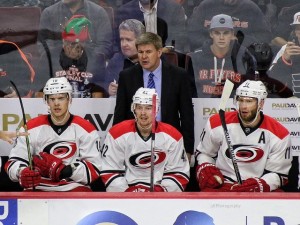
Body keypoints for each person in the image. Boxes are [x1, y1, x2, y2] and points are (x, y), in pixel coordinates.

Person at [5, 77, 102, 191]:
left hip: (73, 188)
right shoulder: (30, 128)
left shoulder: (85, 129)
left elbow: (94, 170)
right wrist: (21, 172)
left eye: (61, 98)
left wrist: (64, 170)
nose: (56, 103)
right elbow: (14, 162)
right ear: (46, 101)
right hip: (38, 187)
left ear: (69, 99)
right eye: (52, 99)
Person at [195, 80, 292, 192]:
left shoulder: (279, 133)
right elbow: (204, 153)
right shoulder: (217, 122)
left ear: (261, 103)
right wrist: (207, 169)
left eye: (249, 101)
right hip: (223, 185)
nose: (244, 106)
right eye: (241, 100)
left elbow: (278, 174)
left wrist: (258, 185)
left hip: (257, 191)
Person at [113, 32, 194, 161]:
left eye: (148, 52)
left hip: (170, 142)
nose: (144, 57)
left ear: (159, 52)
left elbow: (187, 115)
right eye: (140, 52)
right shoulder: (127, 76)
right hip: (135, 142)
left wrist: (188, 149)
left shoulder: (179, 76)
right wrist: (115, 145)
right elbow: (119, 114)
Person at [100, 87, 190, 192]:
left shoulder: (173, 136)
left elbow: (178, 173)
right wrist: (127, 193)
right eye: (139, 107)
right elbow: (109, 170)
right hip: (127, 193)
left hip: (160, 195)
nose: (143, 113)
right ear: (133, 109)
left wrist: (160, 191)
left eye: (148, 108)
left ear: (156, 109)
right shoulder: (117, 133)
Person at [34, 15, 107, 98]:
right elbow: (39, 93)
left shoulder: (96, 59)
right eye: (70, 43)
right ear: (63, 41)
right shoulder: (48, 58)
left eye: (78, 45)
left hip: (86, 108)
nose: (73, 48)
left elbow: (99, 95)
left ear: (84, 43)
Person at [186, 14, 254, 98]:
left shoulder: (244, 56)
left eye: (226, 33)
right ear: (211, 34)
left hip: (234, 106)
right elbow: (188, 88)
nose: (221, 37)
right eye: (217, 33)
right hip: (201, 106)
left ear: (232, 34)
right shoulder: (195, 58)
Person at [37, 0, 113, 60]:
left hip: (90, 65)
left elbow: (104, 45)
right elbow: (44, 44)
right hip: (58, 65)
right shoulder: (49, 13)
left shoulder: (99, 13)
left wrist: (88, 61)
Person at [188, 0, 272, 51]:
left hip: (241, 56)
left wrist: (239, 41)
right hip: (208, 55)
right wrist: (213, 44)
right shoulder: (206, 6)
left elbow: (265, 36)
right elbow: (192, 34)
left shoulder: (251, 8)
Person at [115, 0, 187, 52]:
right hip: (136, 57)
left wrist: (162, 51)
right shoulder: (124, 12)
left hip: (165, 56)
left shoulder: (174, 9)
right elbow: (119, 42)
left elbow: (178, 39)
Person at [105, 19, 146, 97]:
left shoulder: (152, 61)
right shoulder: (116, 60)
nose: (124, 44)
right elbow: (106, 83)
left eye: (128, 40)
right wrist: (109, 89)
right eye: (122, 39)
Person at [269, 12, 300, 97]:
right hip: (291, 103)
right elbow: (271, 82)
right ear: (295, 32)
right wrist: (284, 60)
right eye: (298, 29)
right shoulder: (287, 48)